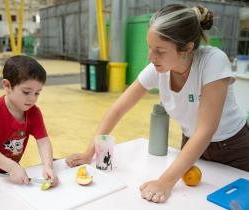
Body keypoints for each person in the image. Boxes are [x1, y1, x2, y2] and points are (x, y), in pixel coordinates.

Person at [66, 4, 249, 203]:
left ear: (187, 47)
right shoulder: (157, 69)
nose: (150, 57)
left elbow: (205, 130)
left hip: (233, 149)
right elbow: (117, 110)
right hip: (192, 146)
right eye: (150, 48)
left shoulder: (212, 61)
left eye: (159, 51)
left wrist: (165, 182)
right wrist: (88, 153)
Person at [0, 55, 58, 187]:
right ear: (7, 85)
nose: (32, 99)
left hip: (8, 162)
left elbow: (43, 141)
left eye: (37, 93)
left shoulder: (33, 112)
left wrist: (48, 166)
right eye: (26, 92)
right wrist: (13, 167)